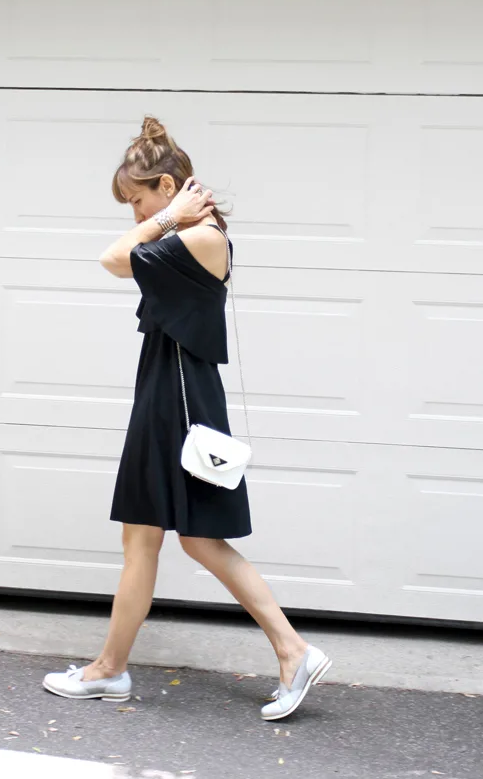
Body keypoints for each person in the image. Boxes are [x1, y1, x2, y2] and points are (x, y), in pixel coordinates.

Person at [43, 116, 331, 720]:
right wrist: (164, 218)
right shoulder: (186, 234)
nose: (135, 213)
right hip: (169, 388)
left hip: (179, 399)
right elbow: (126, 254)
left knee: (190, 537)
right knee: (150, 537)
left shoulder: (201, 238)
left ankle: (290, 649)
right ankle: (111, 670)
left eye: (139, 199)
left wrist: (164, 219)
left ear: (169, 186)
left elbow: (113, 258)